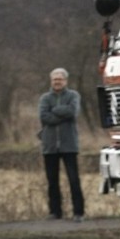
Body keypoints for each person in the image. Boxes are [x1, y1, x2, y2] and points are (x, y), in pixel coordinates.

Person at [38, 67, 85, 220]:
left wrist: (55, 110)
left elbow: (73, 112)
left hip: (69, 145)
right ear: (51, 81)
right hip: (49, 146)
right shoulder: (45, 98)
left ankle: (78, 212)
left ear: (65, 81)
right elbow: (44, 117)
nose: (57, 82)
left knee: (73, 179)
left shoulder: (73, 95)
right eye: (54, 79)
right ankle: (55, 212)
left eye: (60, 79)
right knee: (52, 181)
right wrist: (61, 113)